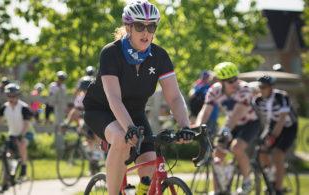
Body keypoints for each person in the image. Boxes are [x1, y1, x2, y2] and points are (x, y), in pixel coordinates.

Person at [83, 1, 194, 194]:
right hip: (102, 110)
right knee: (120, 138)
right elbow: (114, 98)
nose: (146, 32)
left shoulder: (159, 56)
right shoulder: (111, 53)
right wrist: (129, 128)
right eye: (140, 26)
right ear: (128, 27)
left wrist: (185, 125)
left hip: (134, 113)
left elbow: (174, 97)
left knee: (149, 163)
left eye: (151, 26)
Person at [195, 62, 260, 194]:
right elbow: (205, 111)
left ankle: (248, 180)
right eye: (230, 81)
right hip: (231, 123)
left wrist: (226, 131)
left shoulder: (244, 89)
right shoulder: (214, 90)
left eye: (236, 78)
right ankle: (218, 190)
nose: (235, 82)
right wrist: (197, 127)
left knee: (236, 147)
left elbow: (236, 115)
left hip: (250, 123)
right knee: (217, 154)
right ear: (220, 81)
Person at [253, 75, 298, 195]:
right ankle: (271, 179)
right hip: (272, 125)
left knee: (278, 154)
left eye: (264, 87)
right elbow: (259, 120)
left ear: (271, 87)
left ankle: (278, 189)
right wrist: (259, 136)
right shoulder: (258, 100)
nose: (261, 89)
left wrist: (272, 137)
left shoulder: (282, 96)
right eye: (260, 87)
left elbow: (282, 119)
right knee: (262, 151)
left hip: (288, 127)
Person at [0, 83, 33, 193]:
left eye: (13, 96)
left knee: (21, 144)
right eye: (9, 96)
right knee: (6, 157)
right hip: (12, 133)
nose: (11, 98)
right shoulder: (4, 107)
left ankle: (23, 167)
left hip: (26, 133)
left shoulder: (24, 108)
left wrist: (21, 135)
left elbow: (26, 124)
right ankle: (5, 183)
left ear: (18, 96)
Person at [188, 71, 219, 136]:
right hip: (208, 116)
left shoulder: (200, 87)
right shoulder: (208, 87)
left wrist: (195, 86)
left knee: (206, 136)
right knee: (208, 137)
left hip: (206, 116)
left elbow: (191, 95)